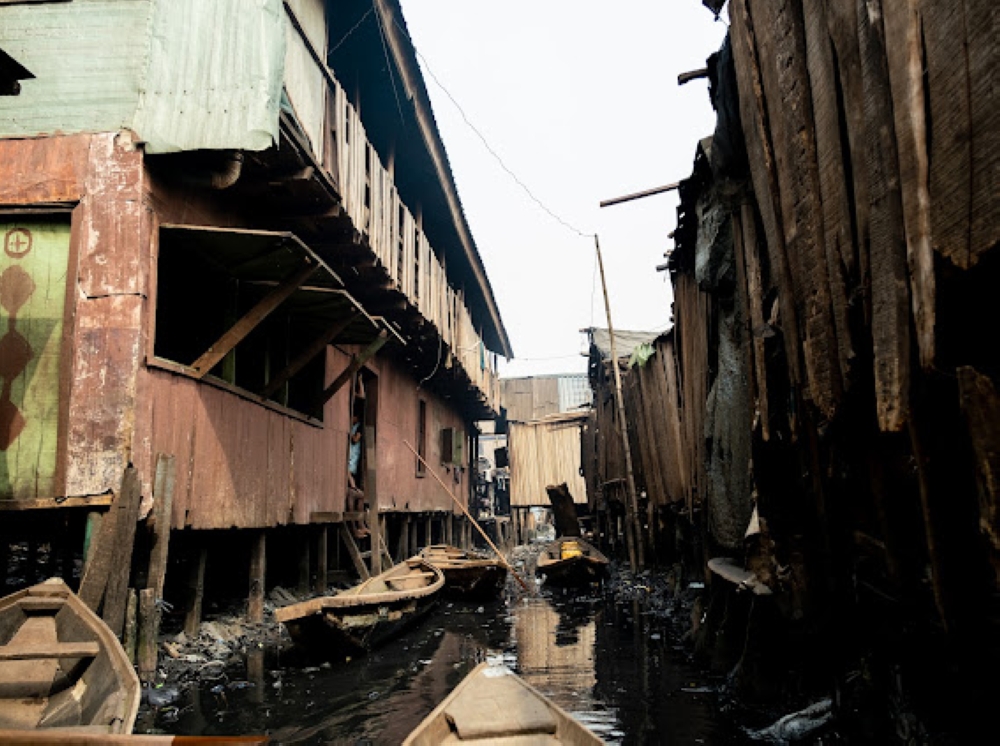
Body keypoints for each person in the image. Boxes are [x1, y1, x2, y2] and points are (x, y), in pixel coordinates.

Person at [348, 414, 368, 538]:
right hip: (351, 460)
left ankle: (361, 526)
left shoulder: (358, 427)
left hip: (353, 457)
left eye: (353, 417)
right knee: (354, 495)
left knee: (358, 495)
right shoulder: (354, 426)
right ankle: (357, 528)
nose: (351, 419)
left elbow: (355, 439)